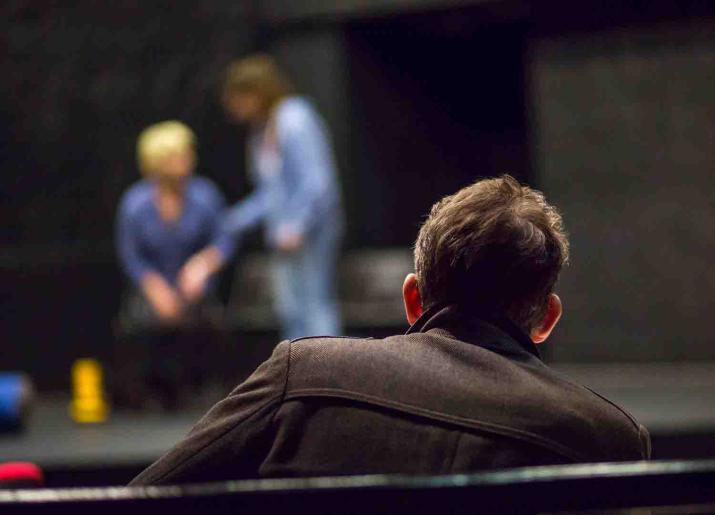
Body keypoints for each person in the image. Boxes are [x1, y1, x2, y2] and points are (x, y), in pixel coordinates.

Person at [131, 175, 650, 484]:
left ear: (411, 297)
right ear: (547, 318)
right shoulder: (609, 439)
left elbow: (147, 496)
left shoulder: (304, 376)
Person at [219, 54, 343, 340]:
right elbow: (270, 195)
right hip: (283, 236)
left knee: (315, 307)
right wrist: (232, 221)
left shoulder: (294, 118)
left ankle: (328, 375)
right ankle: (300, 377)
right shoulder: (261, 131)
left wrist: (298, 225)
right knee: (291, 312)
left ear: (256, 92)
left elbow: (318, 181)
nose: (234, 108)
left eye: (238, 98)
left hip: (309, 234)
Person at [114, 121, 234, 408]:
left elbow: (224, 240)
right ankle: (151, 391)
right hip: (153, 289)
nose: (184, 161)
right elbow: (131, 255)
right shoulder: (135, 203)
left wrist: (203, 265)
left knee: (204, 317)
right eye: (174, 155)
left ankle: (202, 388)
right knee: (146, 318)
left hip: (195, 289)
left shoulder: (206, 195)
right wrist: (154, 288)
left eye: (186, 153)